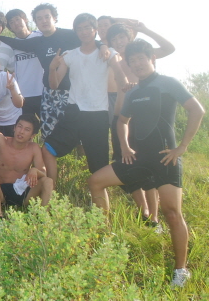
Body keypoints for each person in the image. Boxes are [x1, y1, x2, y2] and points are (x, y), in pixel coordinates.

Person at [88, 39, 205, 288]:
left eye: (141, 58)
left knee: (172, 213)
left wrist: (182, 147)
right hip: (139, 159)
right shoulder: (133, 92)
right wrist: (125, 146)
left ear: (152, 59)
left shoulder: (168, 83)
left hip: (165, 159)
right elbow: (122, 121)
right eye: (132, 61)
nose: (137, 64)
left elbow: (197, 110)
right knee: (96, 181)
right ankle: (105, 241)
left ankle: (181, 270)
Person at [0, 3, 108, 140]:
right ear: (35, 22)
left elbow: (88, 39)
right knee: (49, 135)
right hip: (49, 94)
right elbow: (16, 43)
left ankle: (80, 153)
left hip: (71, 92)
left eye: (47, 17)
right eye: (39, 18)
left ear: (54, 18)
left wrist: (102, 45)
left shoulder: (69, 35)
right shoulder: (37, 42)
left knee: (77, 133)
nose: (44, 21)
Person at [42, 13, 126, 182]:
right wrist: (52, 69)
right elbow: (54, 85)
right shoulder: (70, 55)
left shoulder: (108, 53)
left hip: (97, 114)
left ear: (95, 29)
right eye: (79, 29)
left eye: (87, 27)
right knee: (47, 149)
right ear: (76, 32)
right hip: (74, 112)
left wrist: (123, 101)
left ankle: (100, 196)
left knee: (98, 166)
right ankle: (51, 190)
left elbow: (120, 75)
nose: (84, 32)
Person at [106, 21, 175, 226]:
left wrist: (144, 29)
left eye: (122, 37)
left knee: (147, 165)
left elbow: (169, 48)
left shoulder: (142, 56)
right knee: (126, 162)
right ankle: (143, 210)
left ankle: (154, 217)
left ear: (130, 37)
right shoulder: (114, 61)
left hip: (143, 120)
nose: (119, 42)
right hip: (121, 120)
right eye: (114, 39)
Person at [5, 9, 44, 117]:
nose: (16, 23)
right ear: (10, 27)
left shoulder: (41, 36)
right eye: (11, 22)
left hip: (44, 92)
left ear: (25, 20)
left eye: (17, 19)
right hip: (23, 94)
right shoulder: (10, 45)